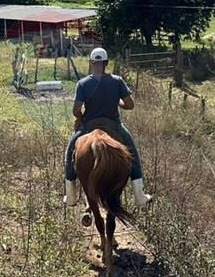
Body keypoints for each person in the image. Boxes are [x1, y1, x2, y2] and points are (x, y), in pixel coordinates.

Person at [63, 47, 151, 207]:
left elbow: (76, 110)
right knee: (133, 153)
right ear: (106, 63)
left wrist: (82, 118)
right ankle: (139, 196)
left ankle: (70, 196)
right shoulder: (117, 81)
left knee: (70, 153)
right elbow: (130, 105)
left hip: (88, 124)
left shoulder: (82, 84)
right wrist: (118, 101)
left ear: (91, 63)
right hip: (114, 124)